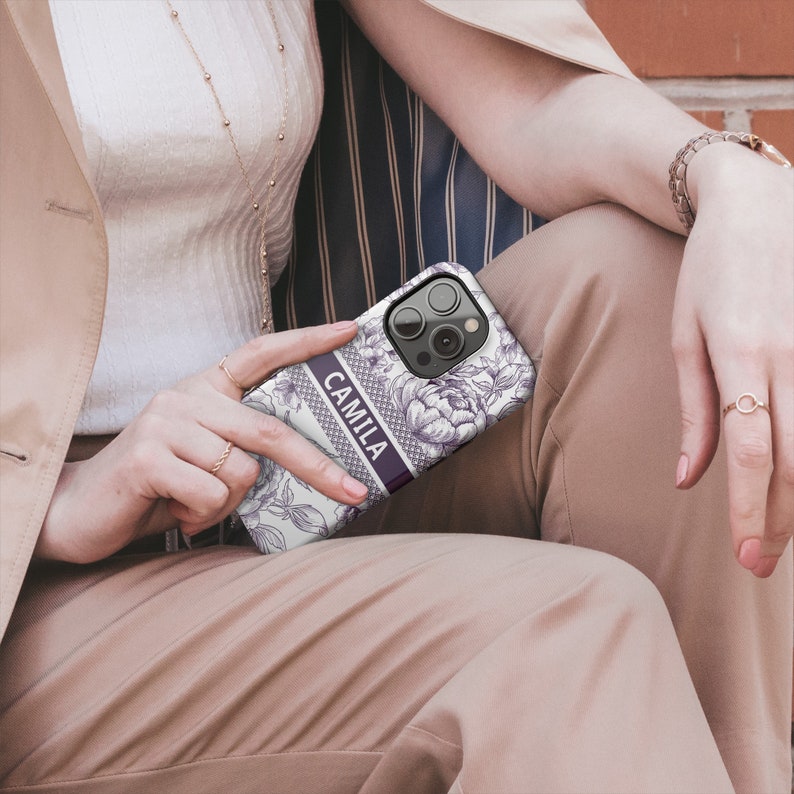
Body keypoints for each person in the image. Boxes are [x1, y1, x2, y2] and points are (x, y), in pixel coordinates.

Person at [0, 0, 789, 791]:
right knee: (562, 628)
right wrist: (57, 499)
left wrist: (727, 178)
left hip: (269, 469)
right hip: (38, 591)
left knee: (647, 277)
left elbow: (533, 99)